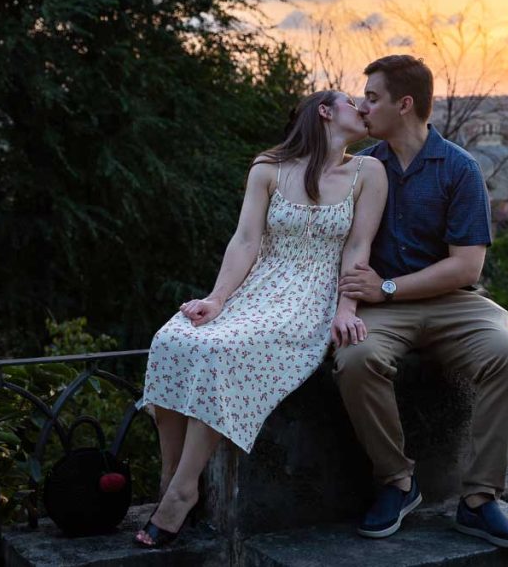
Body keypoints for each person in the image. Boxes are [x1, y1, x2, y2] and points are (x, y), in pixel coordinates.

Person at [133, 90, 387, 548]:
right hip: (256, 289)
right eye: (354, 101)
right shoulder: (268, 167)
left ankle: (183, 493)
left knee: (219, 350)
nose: (364, 109)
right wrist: (217, 299)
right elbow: (246, 241)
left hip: (309, 298)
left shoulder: (368, 172)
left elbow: (357, 248)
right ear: (325, 111)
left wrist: (346, 309)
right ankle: (170, 478)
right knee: (173, 339)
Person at [334, 55, 508, 548]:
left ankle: (479, 500)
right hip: (383, 309)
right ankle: (397, 482)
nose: (364, 107)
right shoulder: (362, 169)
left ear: (404, 105)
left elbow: (467, 267)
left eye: (373, 97)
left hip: (451, 302)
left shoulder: (459, 168)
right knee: (356, 359)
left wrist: (386, 288)